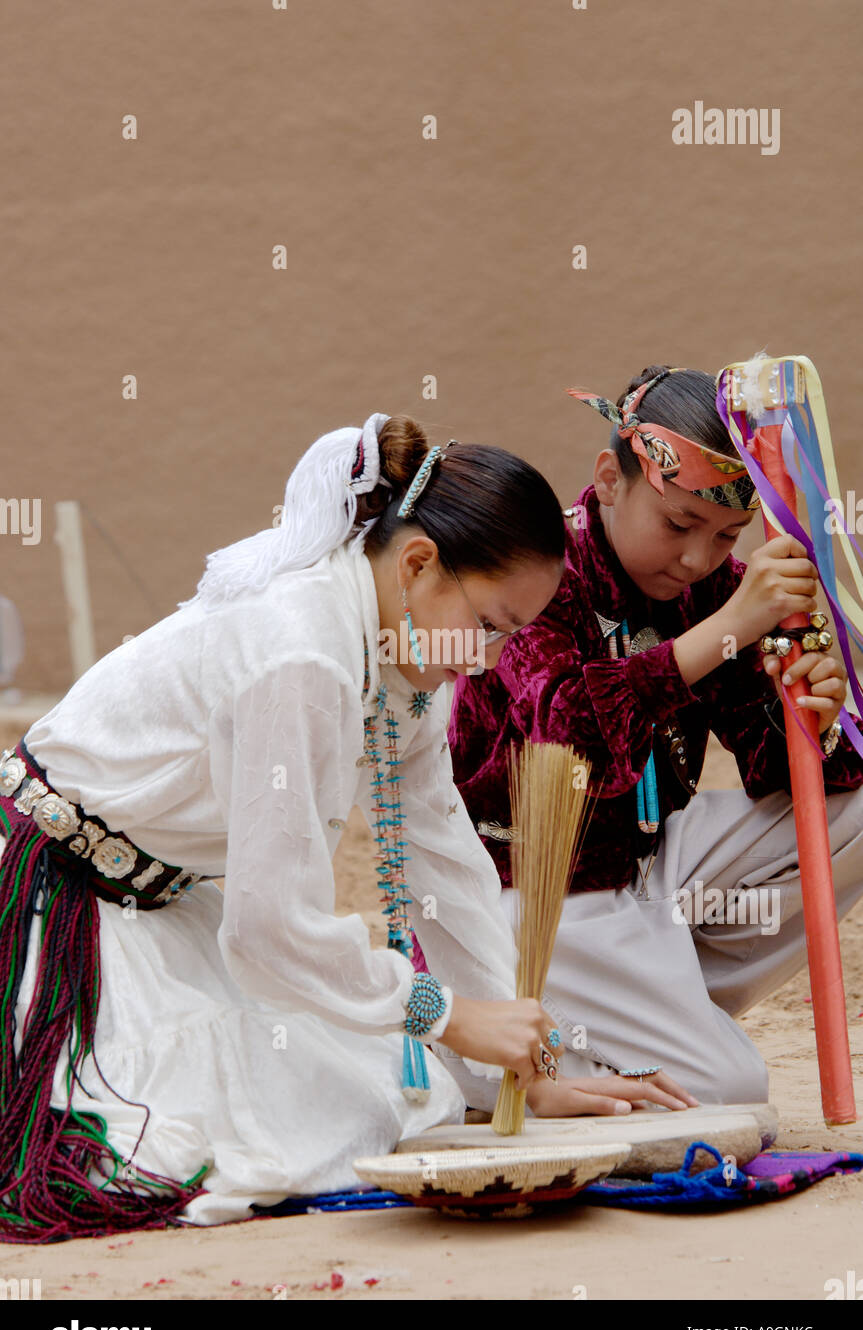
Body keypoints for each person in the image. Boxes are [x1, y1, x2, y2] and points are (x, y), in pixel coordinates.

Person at [0, 411, 695, 1244]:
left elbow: (447, 857)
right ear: (416, 562)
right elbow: (268, 928)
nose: (483, 662)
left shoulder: (401, 652)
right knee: (226, 1145)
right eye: (488, 625)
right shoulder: (300, 654)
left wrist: (518, 1066)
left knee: (408, 1098)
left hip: (159, 910)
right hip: (57, 911)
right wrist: (445, 1013)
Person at [447, 366, 863, 1111]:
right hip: (540, 886)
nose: (699, 559)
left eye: (726, 536)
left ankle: (660, 1004)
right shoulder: (541, 569)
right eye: (677, 525)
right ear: (610, 477)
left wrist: (815, 723)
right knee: (727, 1089)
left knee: (859, 807)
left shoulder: (708, 590)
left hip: (650, 863)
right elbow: (563, 737)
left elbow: (774, 772)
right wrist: (730, 628)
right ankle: (533, 1053)